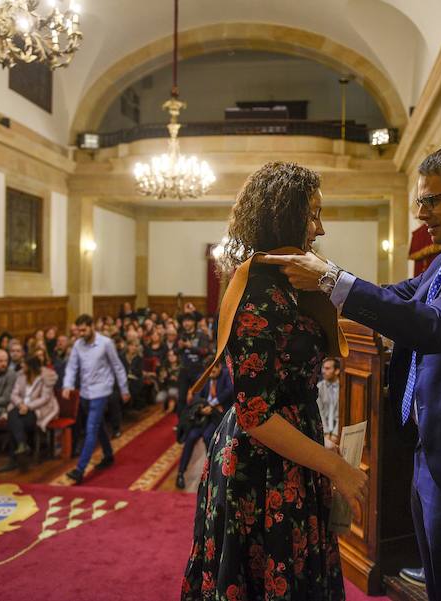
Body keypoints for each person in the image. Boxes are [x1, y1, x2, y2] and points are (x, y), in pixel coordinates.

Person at [263, 146, 441, 600]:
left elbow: (435, 326)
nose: (421, 215)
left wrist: (330, 279)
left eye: (431, 201)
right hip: (432, 451)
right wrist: (324, 286)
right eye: (419, 202)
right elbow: (396, 297)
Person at [182, 161, 367, 600]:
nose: (320, 229)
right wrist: (336, 468)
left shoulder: (287, 281)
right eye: (313, 215)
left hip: (291, 449)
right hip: (261, 468)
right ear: (284, 216)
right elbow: (255, 414)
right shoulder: (259, 291)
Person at [62, 314, 131, 485]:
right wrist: (67, 385)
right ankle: (108, 455)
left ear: (92, 326)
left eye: (84, 330)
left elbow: (117, 366)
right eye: (79, 331)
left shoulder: (106, 343)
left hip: (101, 390)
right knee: (98, 425)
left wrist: (124, 389)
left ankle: (80, 470)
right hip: (85, 392)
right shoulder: (78, 345)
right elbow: (72, 367)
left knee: (91, 429)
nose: (81, 334)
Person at [0, 355, 59, 473]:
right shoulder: (21, 376)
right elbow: (14, 394)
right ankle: (22, 445)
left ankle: (13, 460)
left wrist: (28, 406)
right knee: (13, 416)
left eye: (24, 364)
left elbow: (45, 398)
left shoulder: (46, 378)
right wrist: (20, 404)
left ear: (31, 366)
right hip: (20, 407)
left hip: (38, 410)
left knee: (13, 421)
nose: (21, 365)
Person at [175, 362, 231, 489]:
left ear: (219, 367)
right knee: (190, 437)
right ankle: (180, 473)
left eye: (214, 370)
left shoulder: (226, 376)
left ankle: (211, 472)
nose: (211, 373)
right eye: (209, 370)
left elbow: (229, 391)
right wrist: (202, 407)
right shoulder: (204, 377)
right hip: (202, 417)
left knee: (208, 437)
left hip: (216, 418)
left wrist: (212, 405)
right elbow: (196, 396)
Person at [316, 358, 341, 448]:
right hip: (324, 430)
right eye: (323, 368)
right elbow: (320, 411)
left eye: (327, 368)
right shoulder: (319, 387)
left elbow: (341, 413)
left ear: (337, 371)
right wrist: (326, 433)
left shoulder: (343, 387)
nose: (323, 371)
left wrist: (335, 434)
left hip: (339, 429)